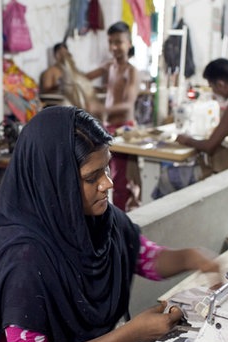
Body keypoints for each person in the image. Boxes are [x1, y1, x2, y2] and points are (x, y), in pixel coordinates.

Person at [0, 106, 219, 342]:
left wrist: (191, 257)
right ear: (55, 182)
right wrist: (130, 334)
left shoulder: (97, 220)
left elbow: (145, 258)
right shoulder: (22, 258)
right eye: (91, 177)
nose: (108, 183)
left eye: (107, 167)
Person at [86, 21, 141, 211]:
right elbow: (82, 78)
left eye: (119, 42)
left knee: (120, 180)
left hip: (124, 129)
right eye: (111, 42)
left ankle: (120, 221)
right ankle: (111, 215)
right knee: (105, 173)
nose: (114, 47)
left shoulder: (131, 71)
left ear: (129, 43)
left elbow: (128, 104)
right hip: (107, 129)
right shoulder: (109, 66)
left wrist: (101, 110)